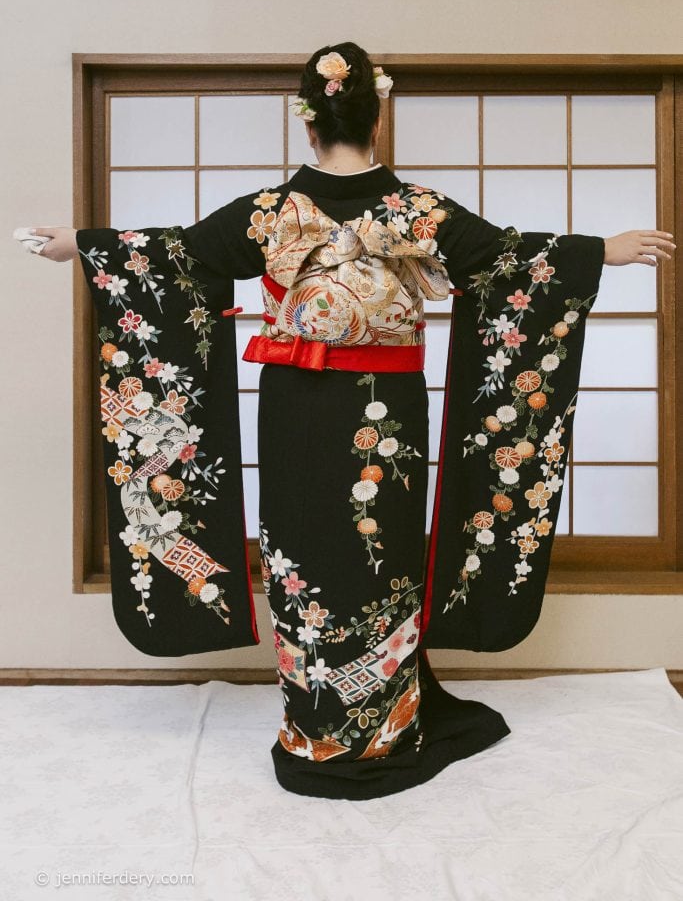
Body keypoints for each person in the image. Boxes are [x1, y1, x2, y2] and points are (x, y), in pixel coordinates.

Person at [25, 41, 676, 800]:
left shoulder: (269, 211)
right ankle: (351, 727)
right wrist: (601, 251)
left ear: (308, 124)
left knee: (310, 552)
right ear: (377, 118)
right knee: (371, 551)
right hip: (383, 407)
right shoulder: (416, 209)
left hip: (295, 407)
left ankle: (334, 725)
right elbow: (506, 259)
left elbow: (175, 255)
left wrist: (84, 245)